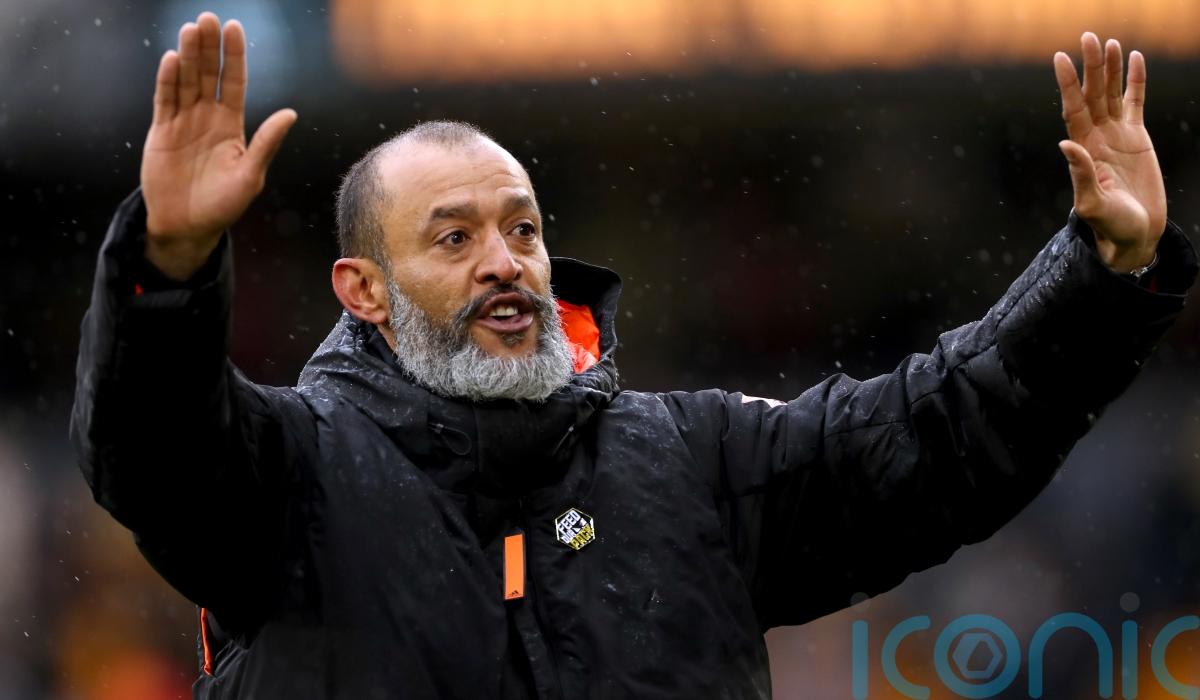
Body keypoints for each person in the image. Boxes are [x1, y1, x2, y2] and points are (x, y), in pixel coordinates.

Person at [70, 11, 1197, 700]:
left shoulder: (694, 461)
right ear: (362, 290)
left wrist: (1104, 272)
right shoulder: (290, 473)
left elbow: (944, 432)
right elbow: (150, 450)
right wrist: (171, 264)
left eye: (522, 230)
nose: (505, 263)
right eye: (453, 239)